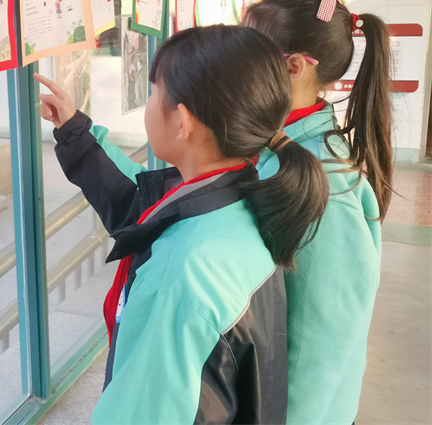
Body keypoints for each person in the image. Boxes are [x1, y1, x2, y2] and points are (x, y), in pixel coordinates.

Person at [35, 25, 329, 423]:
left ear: (181, 121)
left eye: (154, 93)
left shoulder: (178, 277)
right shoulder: (239, 201)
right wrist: (74, 131)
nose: (149, 104)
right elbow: (135, 201)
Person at [243, 0, 393, 424]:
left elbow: (324, 342)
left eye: (248, 51)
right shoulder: (278, 144)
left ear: (292, 67)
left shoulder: (323, 183)